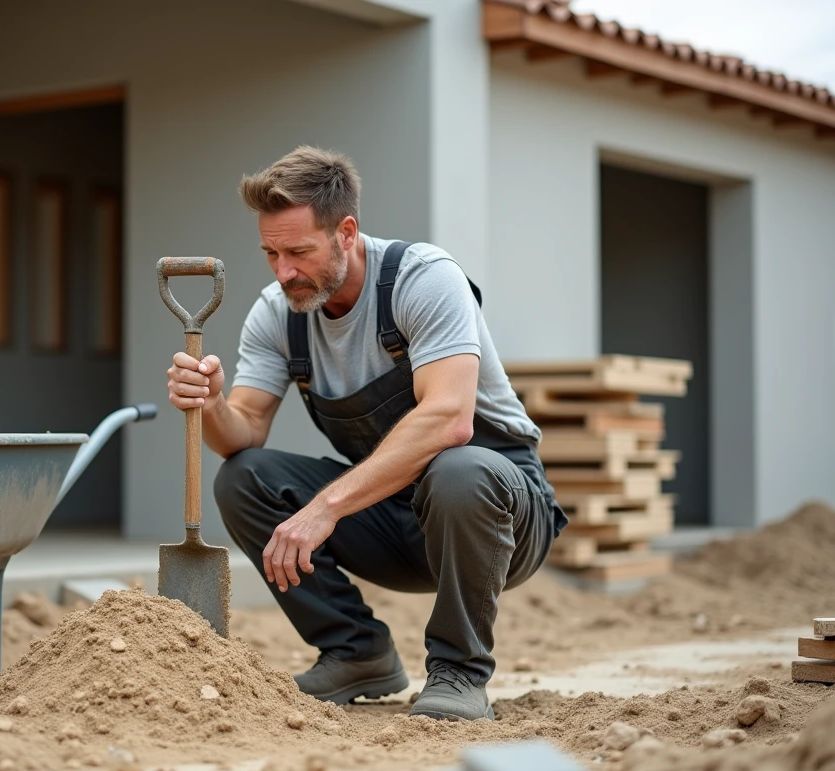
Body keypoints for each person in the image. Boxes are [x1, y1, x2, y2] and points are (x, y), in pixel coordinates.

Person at [165, 145, 567, 721]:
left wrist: (324, 509)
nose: (283, 272)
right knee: (243, 478)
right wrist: (211, 402)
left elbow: (449, 419)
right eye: (271, 253)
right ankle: (357, 652)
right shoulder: (278, 312)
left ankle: (459, 671)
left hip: (500, 517)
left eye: (298, 252)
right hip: (395, 520)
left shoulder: (423, 279)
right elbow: (242, 434)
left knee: (459, 468)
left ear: (346, 233)